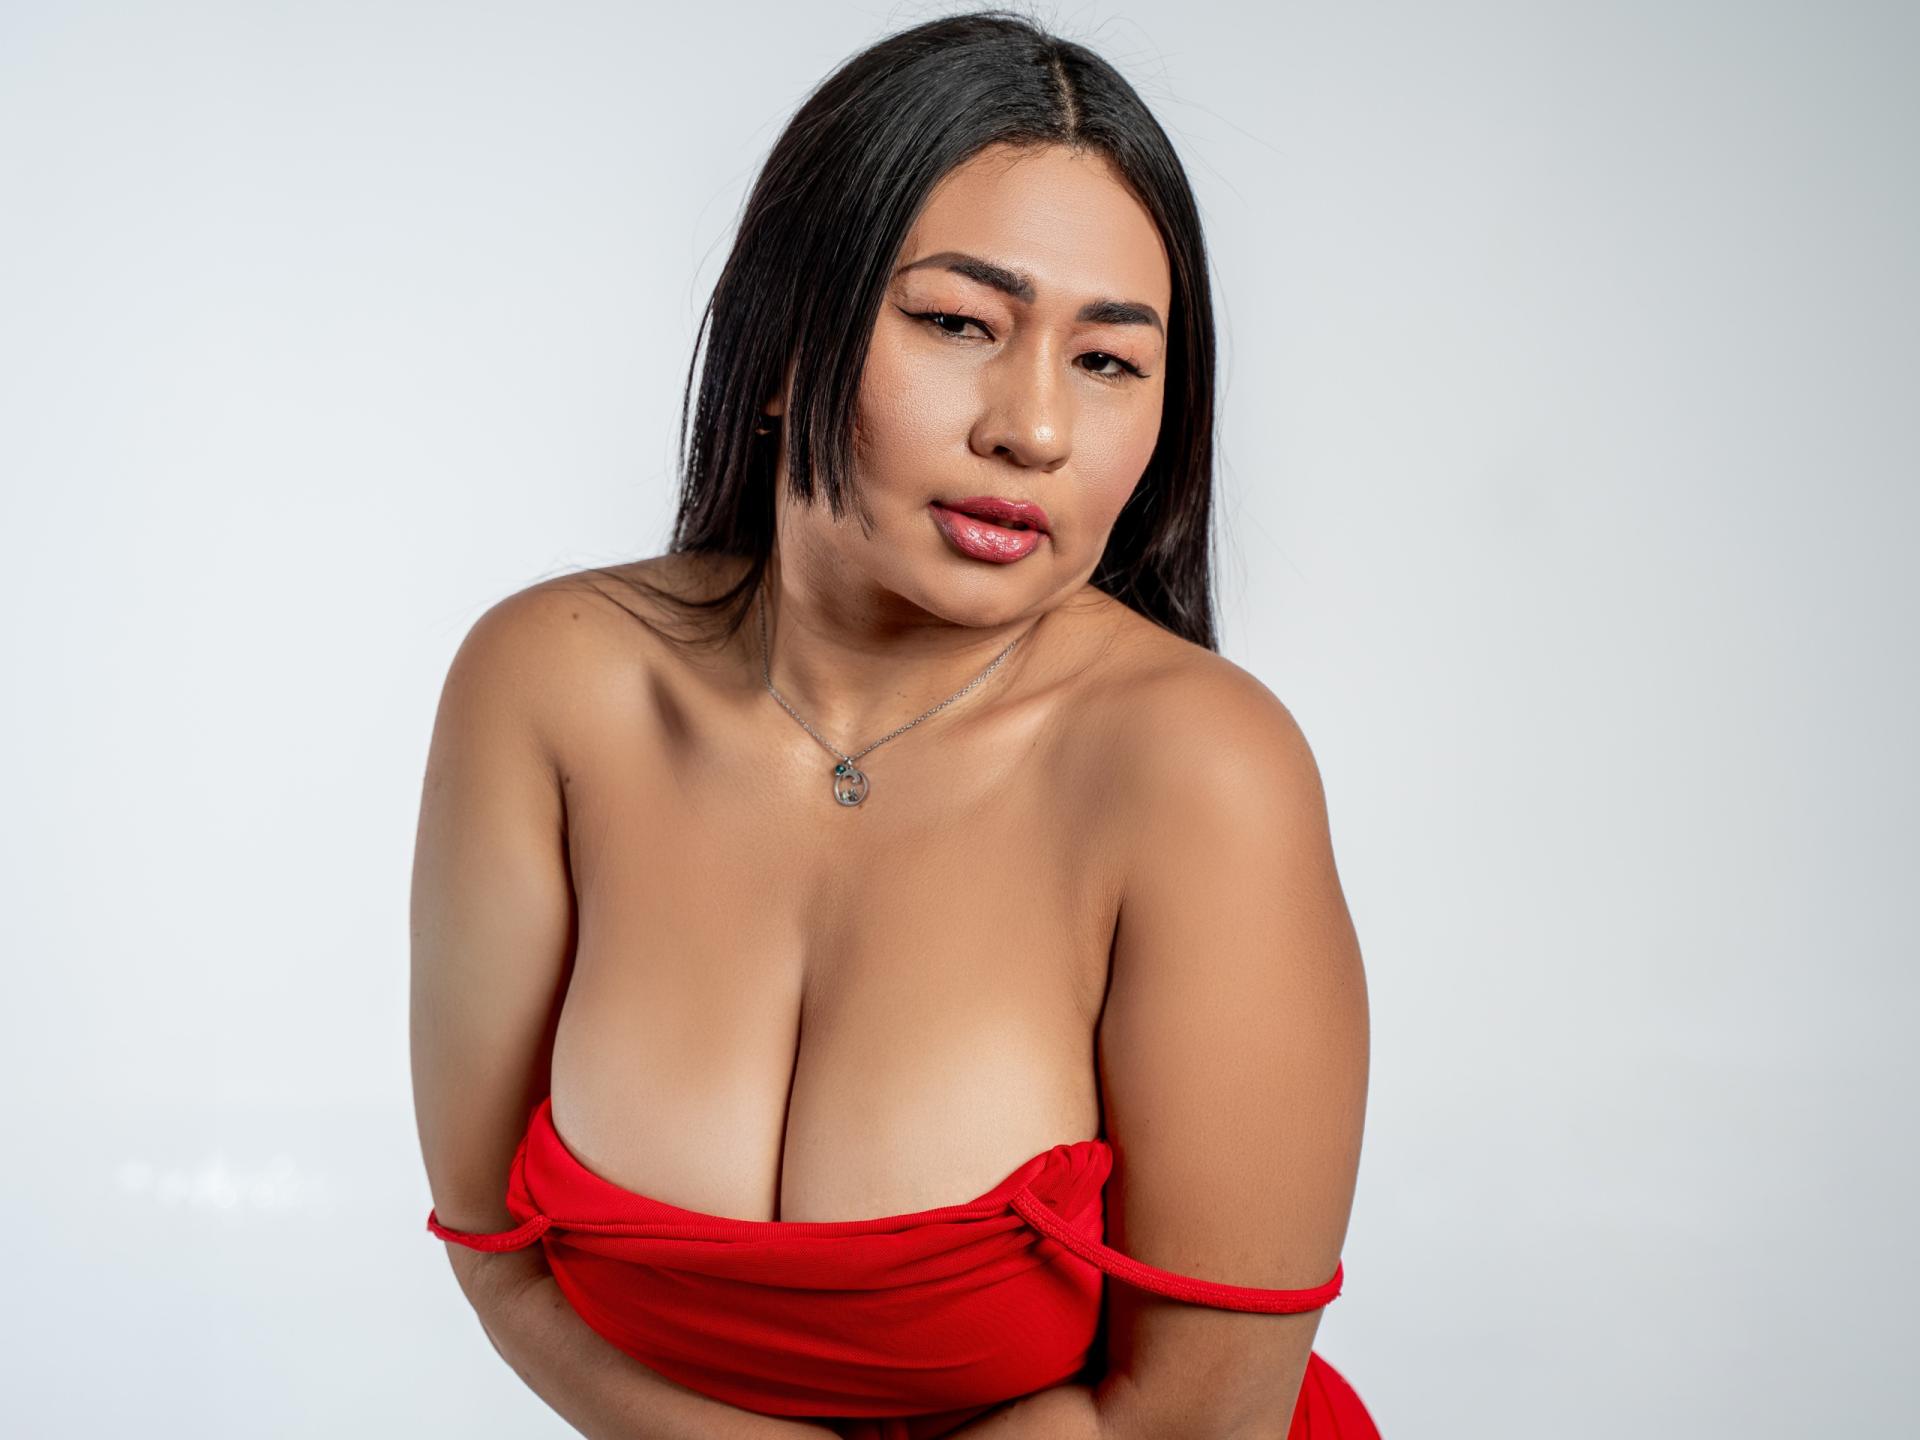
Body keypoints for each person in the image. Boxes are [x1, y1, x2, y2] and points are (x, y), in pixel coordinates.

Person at [411, 11, 1378, 1437]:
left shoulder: (1199, 772)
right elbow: (499, 1255)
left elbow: (1200, 1411)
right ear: (782, 341)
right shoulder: (549, 688)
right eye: (958, 324)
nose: (1033, 430)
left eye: (1109, 361)